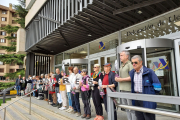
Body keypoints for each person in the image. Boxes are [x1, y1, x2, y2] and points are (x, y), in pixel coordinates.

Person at [129, 55, 161, 120]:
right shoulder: (132, 72)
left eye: (136, 62)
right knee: (139, 117)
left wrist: (151, 94)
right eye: (132, 63)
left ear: (141, 62)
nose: (134, 64)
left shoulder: (149, 72)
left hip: (147, 99)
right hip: (136, 98)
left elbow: (158, 87)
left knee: (149, 117)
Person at [115, 50, 136, 120]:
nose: (120, 57)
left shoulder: (130, 65)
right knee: (126, 108)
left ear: (127, 56)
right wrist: (118, 78)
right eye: (120, 55)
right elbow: (123, 77)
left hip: (129, 90)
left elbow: (132, 77)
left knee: (132, 109)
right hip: (122, 89)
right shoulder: (121, 65)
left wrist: (121, 79)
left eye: (121, 55)